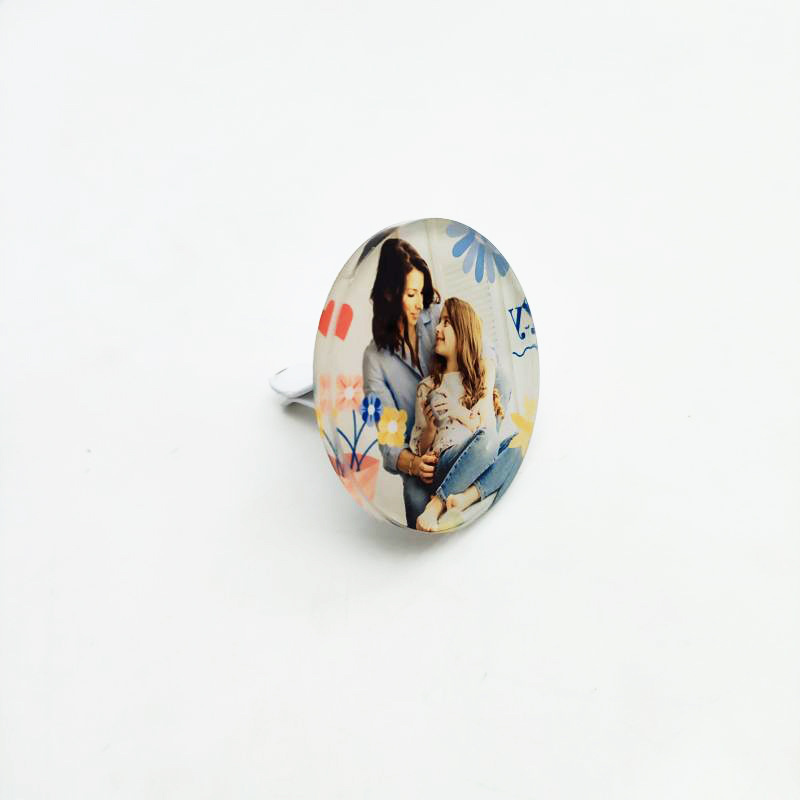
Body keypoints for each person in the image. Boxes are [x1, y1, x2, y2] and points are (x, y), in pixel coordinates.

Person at [362, 238, 521, 527]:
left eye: (421, 292)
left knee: (512, 443)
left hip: (471, 430)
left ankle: (467, 489)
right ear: (388, 294)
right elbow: (388, 441)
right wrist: (414, 463)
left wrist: (483, 402)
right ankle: (466, 478)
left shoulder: (438, 314)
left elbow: (482, 349)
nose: (420, 303)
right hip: (426, 454)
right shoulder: (375, 359)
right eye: (411, 294)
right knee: (415, 507)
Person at [410, 298, 514, 532]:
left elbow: (483, 429)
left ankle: (463, 498)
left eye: (446, 322)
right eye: (439, 322)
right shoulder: (427, 387)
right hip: (445, 460)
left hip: (476, 455)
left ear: (463, 332)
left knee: (517, 444)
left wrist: (458, 412)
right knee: (488, 441)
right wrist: (430, 429)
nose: (437, 328)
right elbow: (420, 448)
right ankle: (439, 502)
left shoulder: (478, 383)